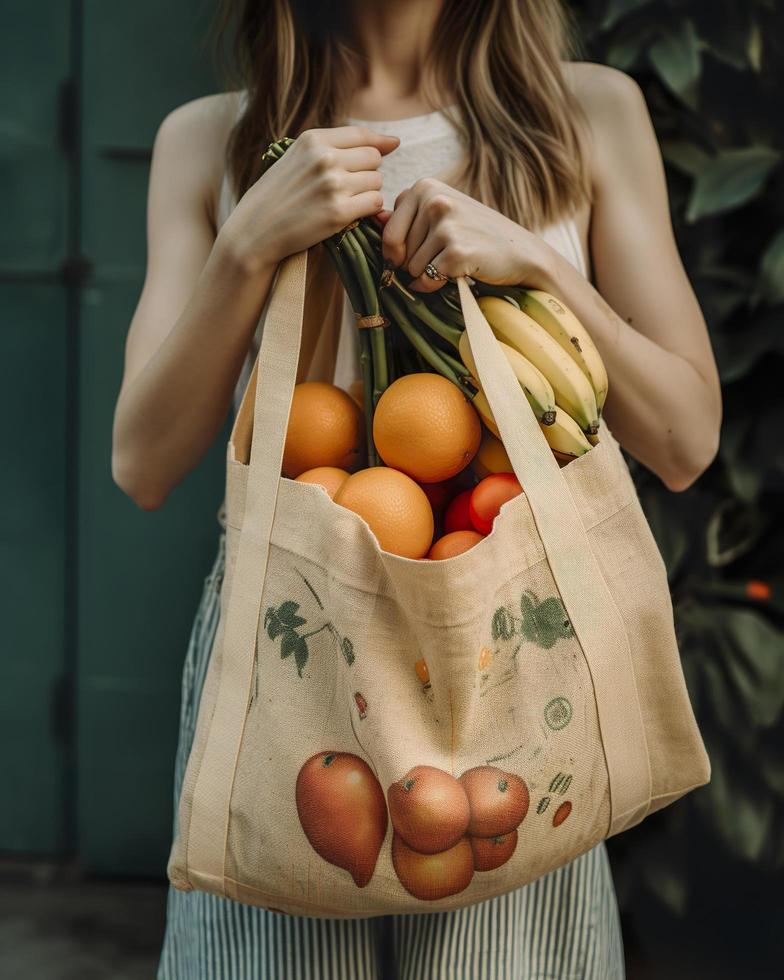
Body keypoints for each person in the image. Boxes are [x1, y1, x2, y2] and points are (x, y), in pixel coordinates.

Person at [112, 1, 722, 976]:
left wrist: (534, 264)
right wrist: (245, 247)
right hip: (298, 638)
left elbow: (685, 439)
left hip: (510, 648)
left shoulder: (588, 114)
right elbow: (142, 462)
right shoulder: (212, 139)